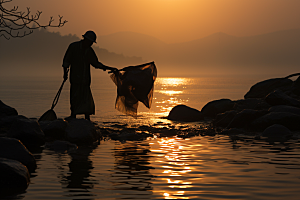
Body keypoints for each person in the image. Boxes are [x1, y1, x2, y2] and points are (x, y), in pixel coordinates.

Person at [62, 30, 117, 120]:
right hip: (75, 79)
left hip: (85, 80)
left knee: (86, 100)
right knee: (75, 97)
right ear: (85, 39)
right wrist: (65, 73)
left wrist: (109, 68)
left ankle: (87, 119)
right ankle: (73, 116)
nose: (91, 44)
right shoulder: (74, 47)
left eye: (92, 42)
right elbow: (66, 61)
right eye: (90, 42)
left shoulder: (90, 51)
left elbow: (96, 64)